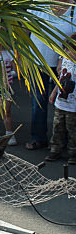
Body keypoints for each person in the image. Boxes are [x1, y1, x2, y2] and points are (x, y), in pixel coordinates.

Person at [26, 0, 76, 150]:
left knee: (66, 101)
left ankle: (66, 141)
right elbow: (25, 31)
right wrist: (21, 57)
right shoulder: (38, 4)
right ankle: (38, 137)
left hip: (67, 65)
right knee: (38, 100)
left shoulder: (75, 8)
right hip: (38, 61)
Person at [47, 32, 76, 164]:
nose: (67, 52)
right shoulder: (65, 61)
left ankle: (73, 153)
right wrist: (53, 93)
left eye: (69, 50)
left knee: (72, 130)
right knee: (57, 127)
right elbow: (60, 80)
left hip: (73, 106)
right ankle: (55, 149)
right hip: (61, 103)